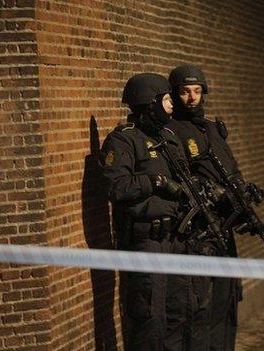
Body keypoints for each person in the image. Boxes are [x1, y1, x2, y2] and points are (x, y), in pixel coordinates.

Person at [100, 72, 196, 350]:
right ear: (149, 102)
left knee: (179, 311)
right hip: (148, 241)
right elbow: (116, 188)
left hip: (176, 238)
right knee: (150, 317)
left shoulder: (168, 137)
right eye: (166, 100)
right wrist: (154, 181)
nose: (171, 105)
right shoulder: (123, 140)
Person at [167, 64, 257, 351]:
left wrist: (242, 192)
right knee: (200, 307)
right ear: (175, 94)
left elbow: (231, 169)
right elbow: (179, 178)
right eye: (185, 92)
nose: (192, 98)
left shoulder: (213, 130)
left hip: (223, 229)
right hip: (199, 233)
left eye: (197, 91)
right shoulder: (171, 131)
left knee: (226, 301)